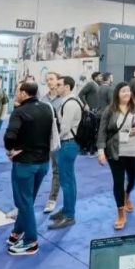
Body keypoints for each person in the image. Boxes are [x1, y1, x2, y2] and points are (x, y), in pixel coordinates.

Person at [4, 81, 54, 256]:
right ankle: (18, 231)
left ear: (24, 93)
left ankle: (31, 242)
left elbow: (10, 136)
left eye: (18, 91)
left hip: (25, 163)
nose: (16, 93)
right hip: (43, 162)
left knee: (23, 202)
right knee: (28, 200)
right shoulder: (47, 108)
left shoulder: (19, 112)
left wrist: (11, 150)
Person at [97, 83, 135, 229]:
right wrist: (101, 151)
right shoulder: (110, 110)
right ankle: (121, 213)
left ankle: (127, 195)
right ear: (117, 94)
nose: (127, 93)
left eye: (128, 91)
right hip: (115, 151)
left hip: (134, 150)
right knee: (118, 181)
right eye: (123, 91)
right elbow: (102, 131)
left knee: (133, 178)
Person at [47, 76, 82, 230]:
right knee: (69, 180)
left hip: (67, 144)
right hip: (69, 143)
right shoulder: (70, 101)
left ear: (67, 87)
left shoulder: (70, 103)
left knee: (67, 182)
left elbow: (65, 128)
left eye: (59, 84)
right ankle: (68, 209)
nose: (56, 86)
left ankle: (69, 215)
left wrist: (54, 140)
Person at [40, 71, 63, 214]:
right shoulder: (43, 99)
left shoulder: (63, 99)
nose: (49, 82)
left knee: (56, 170)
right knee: (40, 169)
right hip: (43, 138)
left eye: (52, 79)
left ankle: (52, 199)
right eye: (47, 80)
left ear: (58, 80)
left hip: (59, 139)